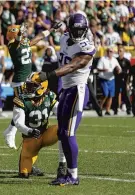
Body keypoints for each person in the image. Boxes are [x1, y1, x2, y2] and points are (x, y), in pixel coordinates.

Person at [31, 13, 96, 185]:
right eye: (74, 29)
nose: (77, 33)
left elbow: (72, 65)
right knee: (61, 132)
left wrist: (48, 75)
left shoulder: (87, 46)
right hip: (66, 89)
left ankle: (73, 175)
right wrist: (54, 26)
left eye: (80, 30)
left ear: (86, 29)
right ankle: (65, 171)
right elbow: (57, 28)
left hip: (77, 90)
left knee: (68, 133)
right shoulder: (65, 36)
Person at [2, 22, 62, 149]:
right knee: (22, 106)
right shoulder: (12, 45)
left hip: (28, 80)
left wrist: (51, 29)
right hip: (20, 80)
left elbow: (39, 37)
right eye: (20, 32)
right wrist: (19, 33)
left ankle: (9, 131)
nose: (23, 34)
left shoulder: (25, 42)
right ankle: (10, 133)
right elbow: (17, 40)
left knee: (25, 107)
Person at [12, 79, 65, 178]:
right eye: (28, 85)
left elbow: (61, 113)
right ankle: (30, 168)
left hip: (46, 134)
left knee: (63, 128)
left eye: (32, 86)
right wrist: (29, 131)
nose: (27, 88)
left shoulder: (49, 97)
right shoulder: (22, 100)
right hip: (30, 138)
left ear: (42, 89)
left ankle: (62, 165)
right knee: (24, 174)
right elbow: (18, 123)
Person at [97, 48, 121, 115]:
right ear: (106, 52)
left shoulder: (114, 60)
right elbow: (98, 68)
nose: (110, 53)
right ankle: (99, 108)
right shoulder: (103, 59)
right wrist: (104, 70)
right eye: (108, 51)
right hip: (104, 78)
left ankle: (107, 110)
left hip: (111, 78)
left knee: (111, 95)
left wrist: (118, 70)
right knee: (105, 94)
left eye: (111, 51)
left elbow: (119, 68)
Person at [114, 46, 132, 115]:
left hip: (124, 80)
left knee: (126, 95)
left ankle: (129, 109)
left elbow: (129, 72)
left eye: (121, 51)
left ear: (124, 52)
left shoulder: (126, 61)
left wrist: (128, 82)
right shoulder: (115, 60)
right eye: (118, 51)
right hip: (117, 80)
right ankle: (115, 109)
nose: (119, 52)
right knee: (116, 95)